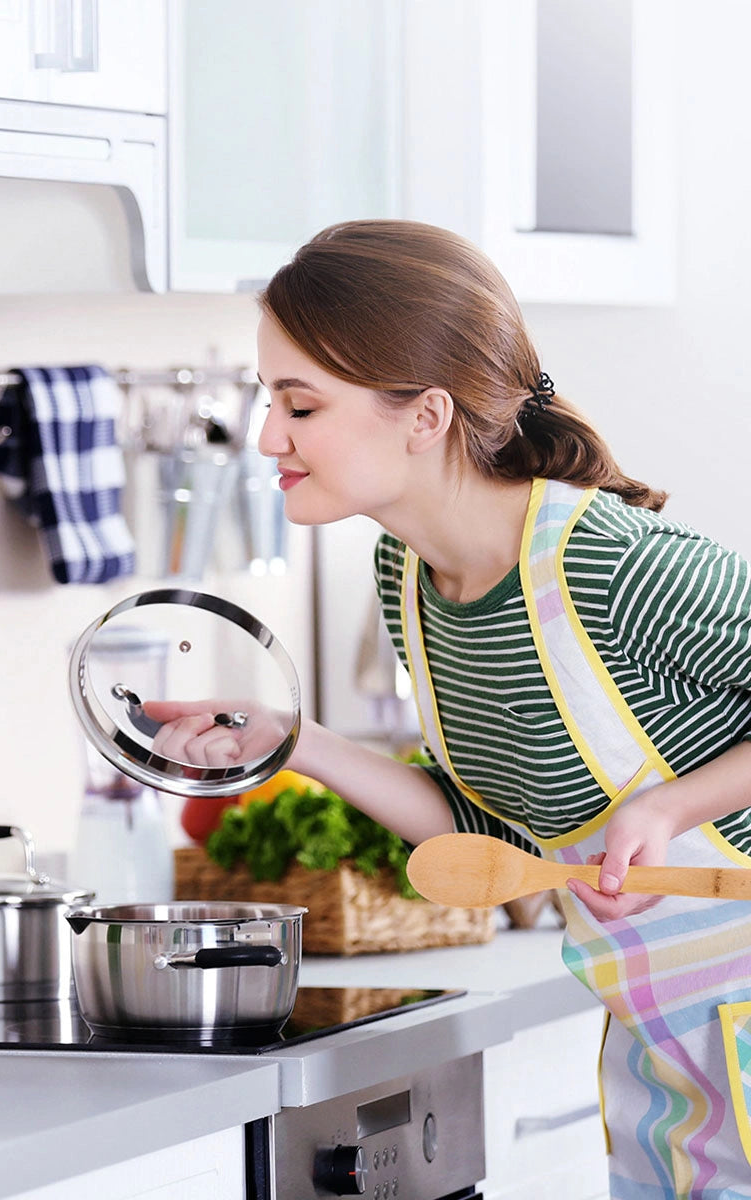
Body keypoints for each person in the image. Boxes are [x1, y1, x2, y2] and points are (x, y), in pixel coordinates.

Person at [147, 220, 751, 1199]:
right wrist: (289, 742)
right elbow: (482, 828)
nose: (268, 438)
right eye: (270, 402)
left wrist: (667, 812)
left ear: (425, 416)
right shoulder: (413, 582)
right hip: (666, 1055)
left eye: (299, 405)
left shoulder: (606, 565)